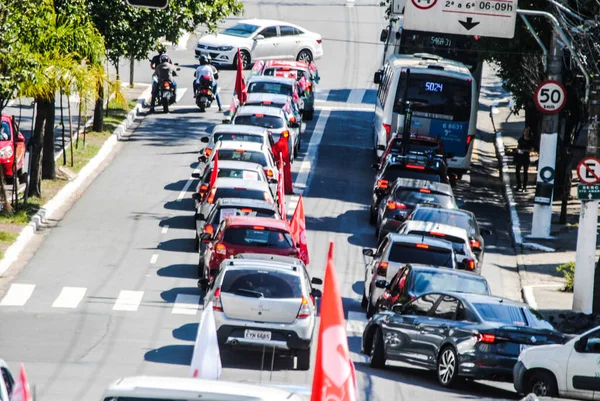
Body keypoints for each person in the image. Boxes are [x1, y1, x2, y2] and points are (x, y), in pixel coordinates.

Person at [515, 127, 535, 191]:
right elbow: (518, 147)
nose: (526, 133)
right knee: (517, 171)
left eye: (527, 131)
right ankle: (519, 185)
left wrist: (525, 150)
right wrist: (518, 150)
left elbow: (532, 149)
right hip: (519, 157)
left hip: (526, 157)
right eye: (525, 131)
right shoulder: (520, 140)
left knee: (525, 172)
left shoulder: (530, 141)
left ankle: (524, 186)